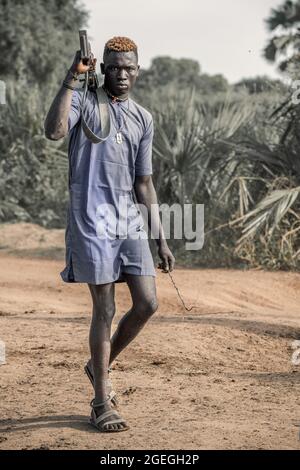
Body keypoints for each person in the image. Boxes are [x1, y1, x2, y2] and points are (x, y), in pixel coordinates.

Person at [44, 36, 175, 433]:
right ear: (102, 68)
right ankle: (101, 401)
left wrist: (161, 238)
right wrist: (72, 76)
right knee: (104, 309)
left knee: (148, 303)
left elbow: (145, 183)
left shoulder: (142, 118)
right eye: (114, 66)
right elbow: (54, 131)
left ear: (138, 70)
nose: (121, 74)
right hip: (91, 216)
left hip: (127, 218)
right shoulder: (85, 100)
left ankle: (98, 364)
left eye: (128, 67)